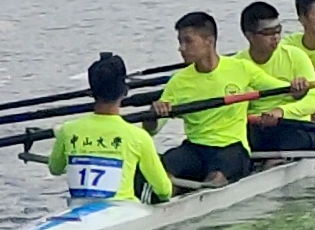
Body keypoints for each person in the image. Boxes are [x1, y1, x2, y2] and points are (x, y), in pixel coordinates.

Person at [44, 54, 175, 206]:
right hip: (124, 211)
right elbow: (164, 191)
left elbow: (55, 169)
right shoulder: (139, 137)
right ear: (125, 91)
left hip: (78, 206)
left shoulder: (67, 130)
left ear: (91, 92)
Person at [154, 10, 255, 187]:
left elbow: (279, 89)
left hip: (232, 148)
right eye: (180, 42)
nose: (181, 48)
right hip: (194, 148)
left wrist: (297, 88)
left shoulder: (241, 68)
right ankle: (167, 197)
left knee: (216, 176)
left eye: (188, 41)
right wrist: (154, 114)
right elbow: (153, 130)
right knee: (159, 171)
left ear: (209, 42)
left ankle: (203, 192)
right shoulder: (178, 81)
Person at [234, 0, 315, 150]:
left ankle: (273, 162)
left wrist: (281, 112)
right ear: (249, 36)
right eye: (268, 33)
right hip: (255, 126)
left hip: (293, 126)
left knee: (285, 136)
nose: (276, 37)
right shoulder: (236, 65)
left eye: (278, 30)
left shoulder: (295, 56)